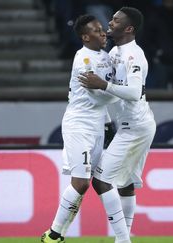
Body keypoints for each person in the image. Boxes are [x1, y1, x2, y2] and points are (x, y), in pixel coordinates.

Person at [79, 7, 156, 243]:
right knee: (126, 184)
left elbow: (133, 93)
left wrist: (102, 85)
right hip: (129, 126)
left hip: (136, 127)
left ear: (129, 28)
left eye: (115, 20)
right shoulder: (114, 52)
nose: (109, 23)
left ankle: (123, 240)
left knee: (101, 181)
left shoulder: (134, 55)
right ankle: (123, 239)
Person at [41, 14, 117, 243]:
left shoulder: (106, 57)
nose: (103, 33)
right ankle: (53, 233)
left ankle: (124, 236)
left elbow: (103, 96)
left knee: (102, 181)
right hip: (79, 124)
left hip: (97, 125)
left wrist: (107, 123)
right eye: (96, 30)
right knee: (82, 181)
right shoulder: (82, 59)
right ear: (85, 37)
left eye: (102, 29)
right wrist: (126, 91)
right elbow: (97, 94)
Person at [142, 0, 173, 89]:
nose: (171, 3)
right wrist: (157, 52)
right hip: (162, 61)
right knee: (161, 93)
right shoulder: (155, 18)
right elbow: (147, 40)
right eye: (168, 1)